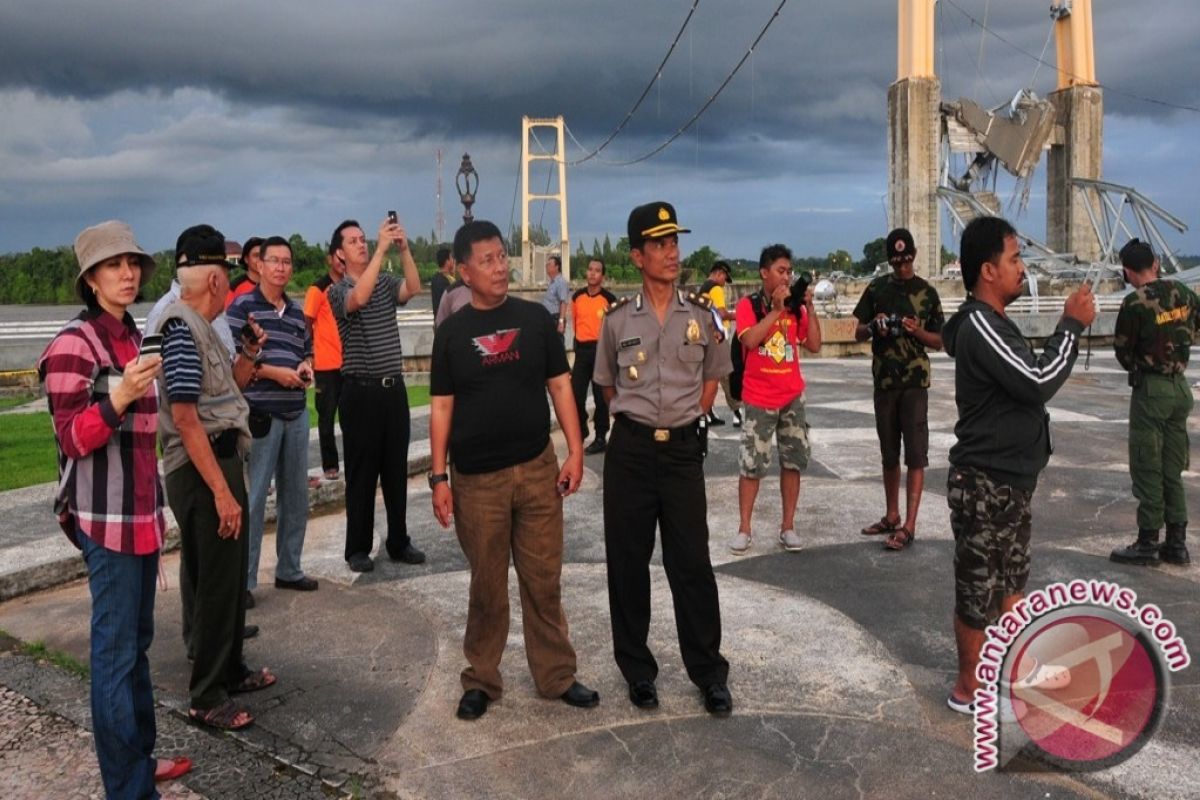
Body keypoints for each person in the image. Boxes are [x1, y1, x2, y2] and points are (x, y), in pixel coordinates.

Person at [38, 220, 193, 796]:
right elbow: (72, 439)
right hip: (106, 521)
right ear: (90, 279)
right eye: (112, 266)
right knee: (113, 655)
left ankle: (138, 759)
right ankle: (128, 786)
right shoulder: (73, 346)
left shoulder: (132, 336)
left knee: (136, 649)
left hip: (141, 516)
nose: (127, 274)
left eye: (132, 264)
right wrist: (121, 396)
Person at [429, 220, 599, 720]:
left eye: (502, 256)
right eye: (487, 260)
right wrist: (439, 477)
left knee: (544, 578)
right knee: (486, 584)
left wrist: (575, 449)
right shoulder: (452, 335)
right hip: (477, 480)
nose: (500, 267)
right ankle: (482, 679)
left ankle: (556, 676)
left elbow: (562, 387)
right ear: (463, 271)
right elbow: (441, 408)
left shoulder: (534, 320)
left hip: (537, 471)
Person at [941, 216, 1095, 714]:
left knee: (1011, 585)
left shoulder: (990, 322)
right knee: (978, 592)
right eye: (1013, 259)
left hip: (1009, 482)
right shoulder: (982, 324)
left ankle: (1017, 670)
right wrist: (1069, 325)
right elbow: (1036, 380)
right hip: (984, 481)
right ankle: (970, 688)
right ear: (988, 270)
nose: (1022, 269)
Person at [594, 201, 733, 716]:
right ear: (637, 256)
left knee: (692, 563)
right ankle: (637, 670)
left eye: (674, 242)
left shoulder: (700, 314)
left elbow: (714, 374)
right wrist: (638, 423)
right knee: (628, 564)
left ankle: (709, 673)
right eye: (660, 244)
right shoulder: (615, 320)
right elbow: (606, 385)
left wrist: (682, 418)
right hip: (629, 452)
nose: (672, 252)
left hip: (680, 452)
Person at [156, 224, 278, 731]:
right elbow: (185, 418)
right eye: (227, 274)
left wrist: (249, 354)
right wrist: (223, 492)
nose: (231, 284)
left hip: (221, 457)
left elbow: (229, 392)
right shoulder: (181, 327)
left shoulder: (206, 326)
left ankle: (229, 668)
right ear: (213, 281)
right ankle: (206, 694)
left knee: (225, 579)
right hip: (202, 467)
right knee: (212, 583)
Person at [327, 217, 425, 572]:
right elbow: (359, 298)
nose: (362, 243)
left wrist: (403, 248)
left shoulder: (384, 281)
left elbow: (413, 287)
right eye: (353, 241)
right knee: (362, 473)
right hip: (360, 391)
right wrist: (381, 250)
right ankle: (357, 547)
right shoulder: (336, 290)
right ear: (339, 254)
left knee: (395, 470)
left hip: (392, 389)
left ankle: (398, 540)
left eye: (363, 239)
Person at [226, 236, 318, 601]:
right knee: (254, 499)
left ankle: (289, 569)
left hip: (295, 411)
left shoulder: (295, 312)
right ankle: (244, 581)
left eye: (287, 262)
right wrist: (275, 373)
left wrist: (305, 366)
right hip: (261, 414)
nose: (281, 268)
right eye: (274, 261)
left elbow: (305, 348)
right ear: (259, 265)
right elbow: (237, 362)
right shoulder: (242, 308)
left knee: (295, 497)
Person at [852, 228, 944, 550]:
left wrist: (917, 331)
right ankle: (891, 515)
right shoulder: (877, 288)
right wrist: (873, 325)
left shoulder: (927, 293)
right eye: (896, 261)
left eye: (906, 260)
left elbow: (941, 340)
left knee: (916, 455)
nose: (902, 267)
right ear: (889, 260)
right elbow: (858, 333)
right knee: (888, 452)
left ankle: (909, 525)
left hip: (915, 384)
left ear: (914, 255)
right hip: (885, 382)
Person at [1109, 238, 1198, 567]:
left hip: (1152, 391)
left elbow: (1122, 349)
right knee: (1172, 467)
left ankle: (1148, 541)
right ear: (1156, 263)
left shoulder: (1134, 303)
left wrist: (1142, 362)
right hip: (1180, 389)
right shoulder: (1186, 294)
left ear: (1128, 271)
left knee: (1147, 464)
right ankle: (1177, 543)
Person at [728, 244, 822, 556]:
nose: (786, 277)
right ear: (764, 272)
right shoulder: (748, 305)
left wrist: (810, 307)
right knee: (751, 464)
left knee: (793, 461)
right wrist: (777, 310)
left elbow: (815, 344)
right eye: (781, 271)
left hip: (792, 396)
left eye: (789, 272)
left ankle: (788, 526)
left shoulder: (797, 309)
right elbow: (751, 340)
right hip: (758, 396)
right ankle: (744, 528)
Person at [305, 251, 346, 480]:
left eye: (345, 260)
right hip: (326, 364)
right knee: (326, 417)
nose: (342, 264)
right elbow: (306, 322)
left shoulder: (352, 287)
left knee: (352, 416)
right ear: (330, 259)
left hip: (350, 363)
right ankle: (330, 464)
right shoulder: (318, 289)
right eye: (338, 259)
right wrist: (309, 354)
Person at [570, 257, 617, 455]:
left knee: (600, 398)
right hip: (582, 351)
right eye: (590, 269)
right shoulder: (577, 297)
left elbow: (615, 328)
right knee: (575, 396)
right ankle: (581, 429)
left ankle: (600, 436)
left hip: (601, 351)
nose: (592, 273)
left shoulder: (609, 299)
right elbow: (575, 323)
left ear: (602, 276)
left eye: (597, 270)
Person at [700, 261, 740, 426]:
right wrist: (739, 315)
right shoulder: (715, 288)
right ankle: (738, 412)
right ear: (718, 273)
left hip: (706, 335)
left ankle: (707, 413)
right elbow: (722, 313)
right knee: (726, 375)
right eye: (724, 277)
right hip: (718, 337)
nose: (724, 282)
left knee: (709, 377)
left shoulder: (703, 288)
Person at [225, 237, 263, 309]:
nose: (260, 259)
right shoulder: (235, 287)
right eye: (256, 255)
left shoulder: (273, 284)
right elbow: (228, 316)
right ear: (246, 259)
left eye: (263, 255)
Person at [540, 254, 570, 340]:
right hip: (549, 318)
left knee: (557, 344)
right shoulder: (552, 283)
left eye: (549, 265)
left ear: (557, 267)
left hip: (555, 319)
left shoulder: (561, 282)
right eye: (546, 265)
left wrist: (561, 322)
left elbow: (563, 302)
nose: (547, 267)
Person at [429, 246, 455, 322]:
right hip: (447, 322)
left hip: (438, 320)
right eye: (451, 258)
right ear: (447, 261)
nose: (453, 260)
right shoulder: (446, 281)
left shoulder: (435, 278)